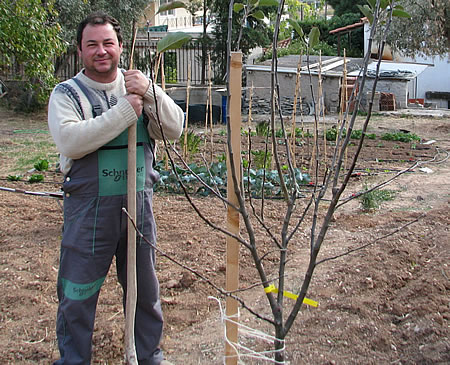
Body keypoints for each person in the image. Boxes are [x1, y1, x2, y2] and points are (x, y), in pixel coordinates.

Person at [47, 12, 183, 365]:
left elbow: (174, 128)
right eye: (92, 44)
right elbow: (71, 141)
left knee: (145, 292)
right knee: (78, 293)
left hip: (138, 209)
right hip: (89, 214)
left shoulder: (138, 86)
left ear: (120, 47)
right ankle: (74, 359)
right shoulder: (68, 94)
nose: (101, 51)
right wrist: (124, 112)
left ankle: (148, 356)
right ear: (80, 51)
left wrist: (151, 92)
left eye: (108, 43)